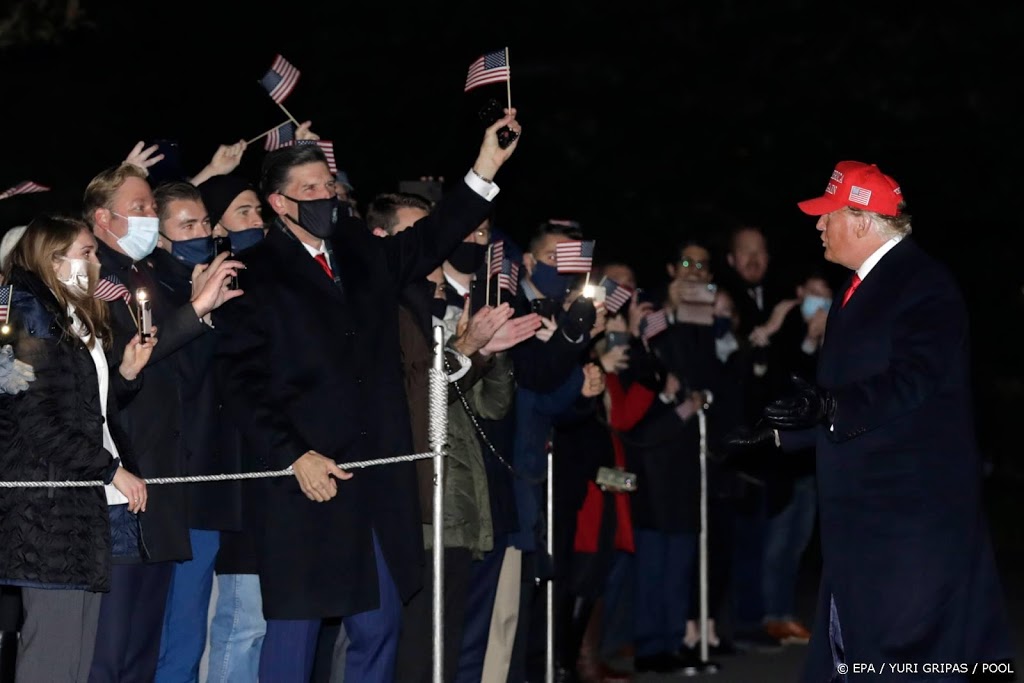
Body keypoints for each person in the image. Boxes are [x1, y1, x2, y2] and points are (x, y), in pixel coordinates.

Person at [213, 110, 522, 683]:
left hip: (378, 478)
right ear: (279, 204)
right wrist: (292, 456)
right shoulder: (250, 274)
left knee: (378, 627)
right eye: (309, 190)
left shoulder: (361, 255)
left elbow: (433, 235)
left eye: (328, 186)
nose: (324, 197)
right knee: (295, 632)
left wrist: (484, 168)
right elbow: (239, 383)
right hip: (306, 479)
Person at [728, 160, 1013, 682]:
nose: (817, 225)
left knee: (907, 661)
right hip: (864, 518)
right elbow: (847, 393)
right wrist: (779, 432)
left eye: (826, 215)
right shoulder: (857, 288)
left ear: (861, 220)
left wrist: (830, 406)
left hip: (909, 520)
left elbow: (914, 380)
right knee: (855, 654)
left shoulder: (925, 284)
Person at [0, 214, 155, 682]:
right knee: (53, 654)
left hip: (77, 502)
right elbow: (32, 417)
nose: (96, 261)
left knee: (76, 656)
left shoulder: (66, 312)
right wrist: (109, 469)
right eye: (86, 252)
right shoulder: (27, 309)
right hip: (46, 508)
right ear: (53, 259)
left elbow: (86, 409)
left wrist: (124, 374)